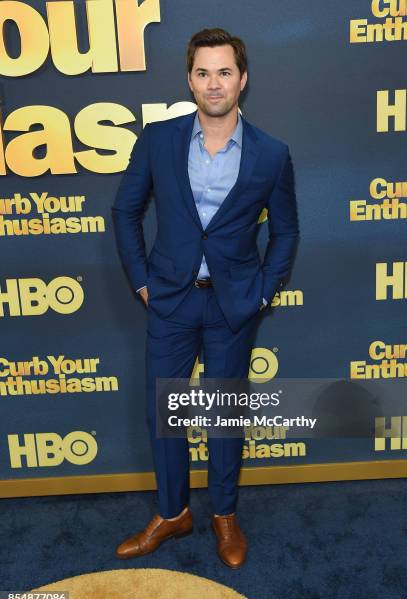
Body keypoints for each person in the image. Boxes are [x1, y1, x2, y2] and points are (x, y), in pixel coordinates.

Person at [112, 27, 299, 569]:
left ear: (242, 79)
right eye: (202, 72)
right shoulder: (159, 139)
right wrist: (142, 280)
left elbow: (285, 231)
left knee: (223, 415)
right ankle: (172, 513)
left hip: (233, 304)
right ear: (189, 79)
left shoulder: (272, 153)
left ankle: (223, 516)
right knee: (163, 413)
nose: (213, 84)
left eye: (224, 72)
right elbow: (125, 212)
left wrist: (263, 291)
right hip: (169, 299)